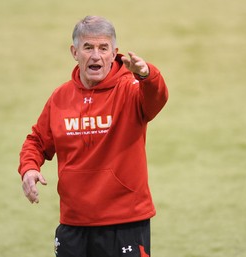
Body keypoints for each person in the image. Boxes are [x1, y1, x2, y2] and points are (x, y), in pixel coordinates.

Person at [18, 15, 168, 257]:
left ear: (114, 52)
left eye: (103, 48)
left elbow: (157, 98)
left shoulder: (130, 90)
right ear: (74, 52)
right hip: (74, 223)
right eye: (88, 47)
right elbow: (36, 141)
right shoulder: (60, 97)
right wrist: (29, 168)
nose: (96, 55)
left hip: (125, 221)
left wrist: (147, 75)